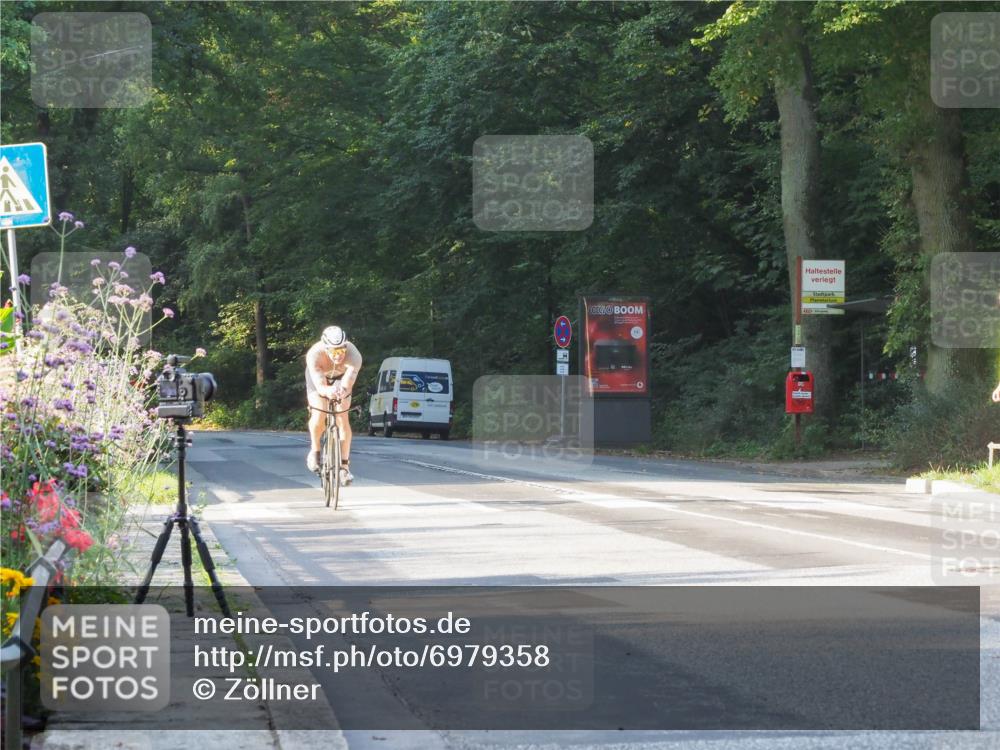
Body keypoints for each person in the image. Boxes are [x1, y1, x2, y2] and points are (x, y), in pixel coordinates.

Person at [305, 326, 362, 484]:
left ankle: (344, 467)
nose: (339, 355)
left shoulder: (354, 355)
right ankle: (315, 451)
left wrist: (342, 391)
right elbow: (320, 385)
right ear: (325, 348)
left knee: (342, 417)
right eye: (334, 351)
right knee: (319, 412)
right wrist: (327, 391)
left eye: (342, 350)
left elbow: (348, 382)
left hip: (341, 379)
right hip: (318, 379)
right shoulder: (314, 354)